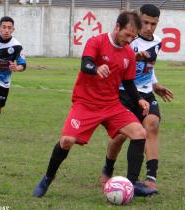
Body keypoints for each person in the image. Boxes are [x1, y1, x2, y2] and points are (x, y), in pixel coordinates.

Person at [33, 10, 157, 198]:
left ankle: (132, 184)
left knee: (139, 133)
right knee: (67, 141)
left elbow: (129, 82)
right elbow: (85, 64)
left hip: (111, 105)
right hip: (85, 104)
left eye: (133, 37)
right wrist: (96, 68)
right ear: (117, 27)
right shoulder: (97, 42)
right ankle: (48, 178)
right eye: (127, 35)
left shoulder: (129, 54)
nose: (129, 40)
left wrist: (139, 99)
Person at [100, 4, 174, 194]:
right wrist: (132, 56)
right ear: (138, 19)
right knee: (120, 137)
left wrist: (155, 85)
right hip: (124, 92)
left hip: (146, 93)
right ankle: (108, 168)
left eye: (153, 24)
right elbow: (115, 62)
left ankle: (150, 178)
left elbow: (150, 67)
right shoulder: (128, 40)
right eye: (145, 22)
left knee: (152, 125)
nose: (149, 27)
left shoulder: (158, 42)